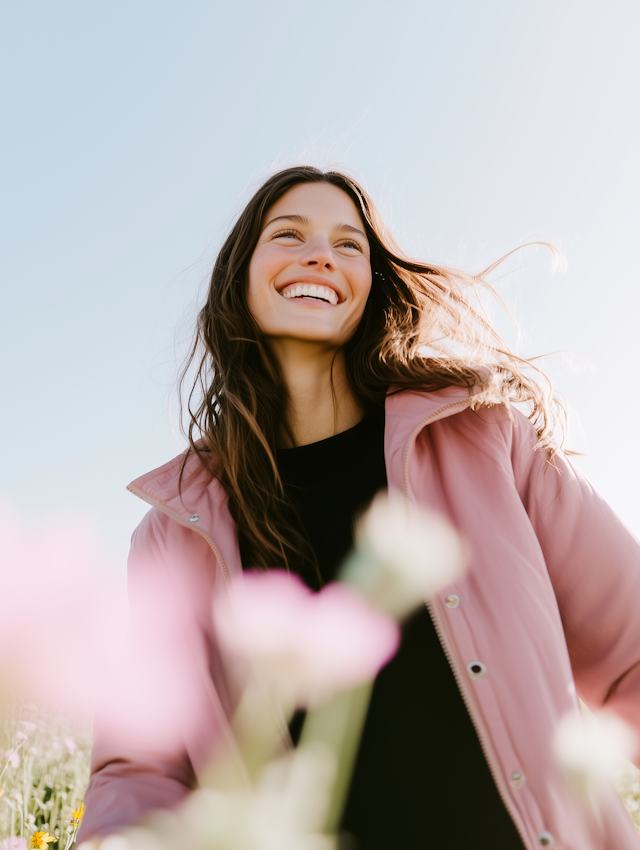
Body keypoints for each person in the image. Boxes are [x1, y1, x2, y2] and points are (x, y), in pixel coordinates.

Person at [78, 166, 640, 849]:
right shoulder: (174, 534)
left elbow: (630, 653)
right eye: (289, 234)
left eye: (350, 245)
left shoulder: (487, 441)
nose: (321, 254)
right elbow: (142, 768)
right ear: (241, 278)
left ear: (370, 285)